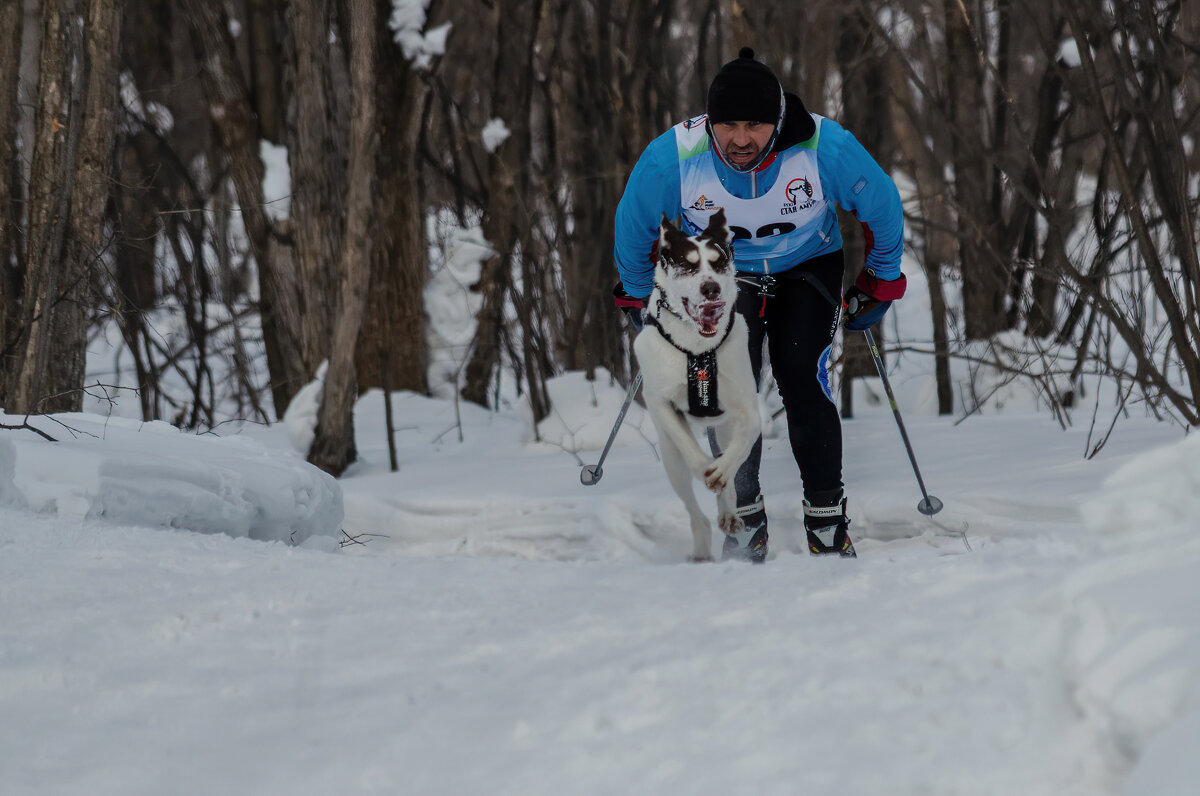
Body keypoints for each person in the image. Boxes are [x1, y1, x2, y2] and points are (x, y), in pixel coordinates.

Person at [612, 47, 906, 562]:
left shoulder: (824, 147)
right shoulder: (672, 157)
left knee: (801, 373)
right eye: (727, 126)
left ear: (778, 121)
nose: (741, 139)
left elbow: (882, 209)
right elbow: (632, 230)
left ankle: (827, 521)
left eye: (755, 125)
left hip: (807, 266)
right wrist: (639, 298)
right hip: (722, 278)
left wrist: (879, 281)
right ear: (710, 123)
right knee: (726, 380)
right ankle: (743, 515)